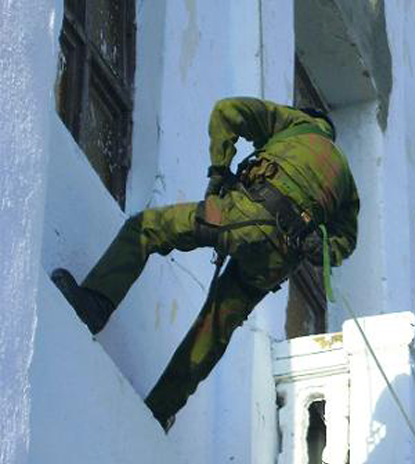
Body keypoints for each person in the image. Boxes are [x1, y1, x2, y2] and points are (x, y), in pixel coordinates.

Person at [52, 97, 360, 431]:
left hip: (245, 216)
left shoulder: (293, 124)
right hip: (275, 262)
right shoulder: (346, 180)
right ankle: (160, 409)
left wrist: (219, 172)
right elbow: (346, 242)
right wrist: (319, 246)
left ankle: (92, 305)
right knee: (215, 327)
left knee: (147, 229)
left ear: (307, 118)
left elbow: (228, 111)